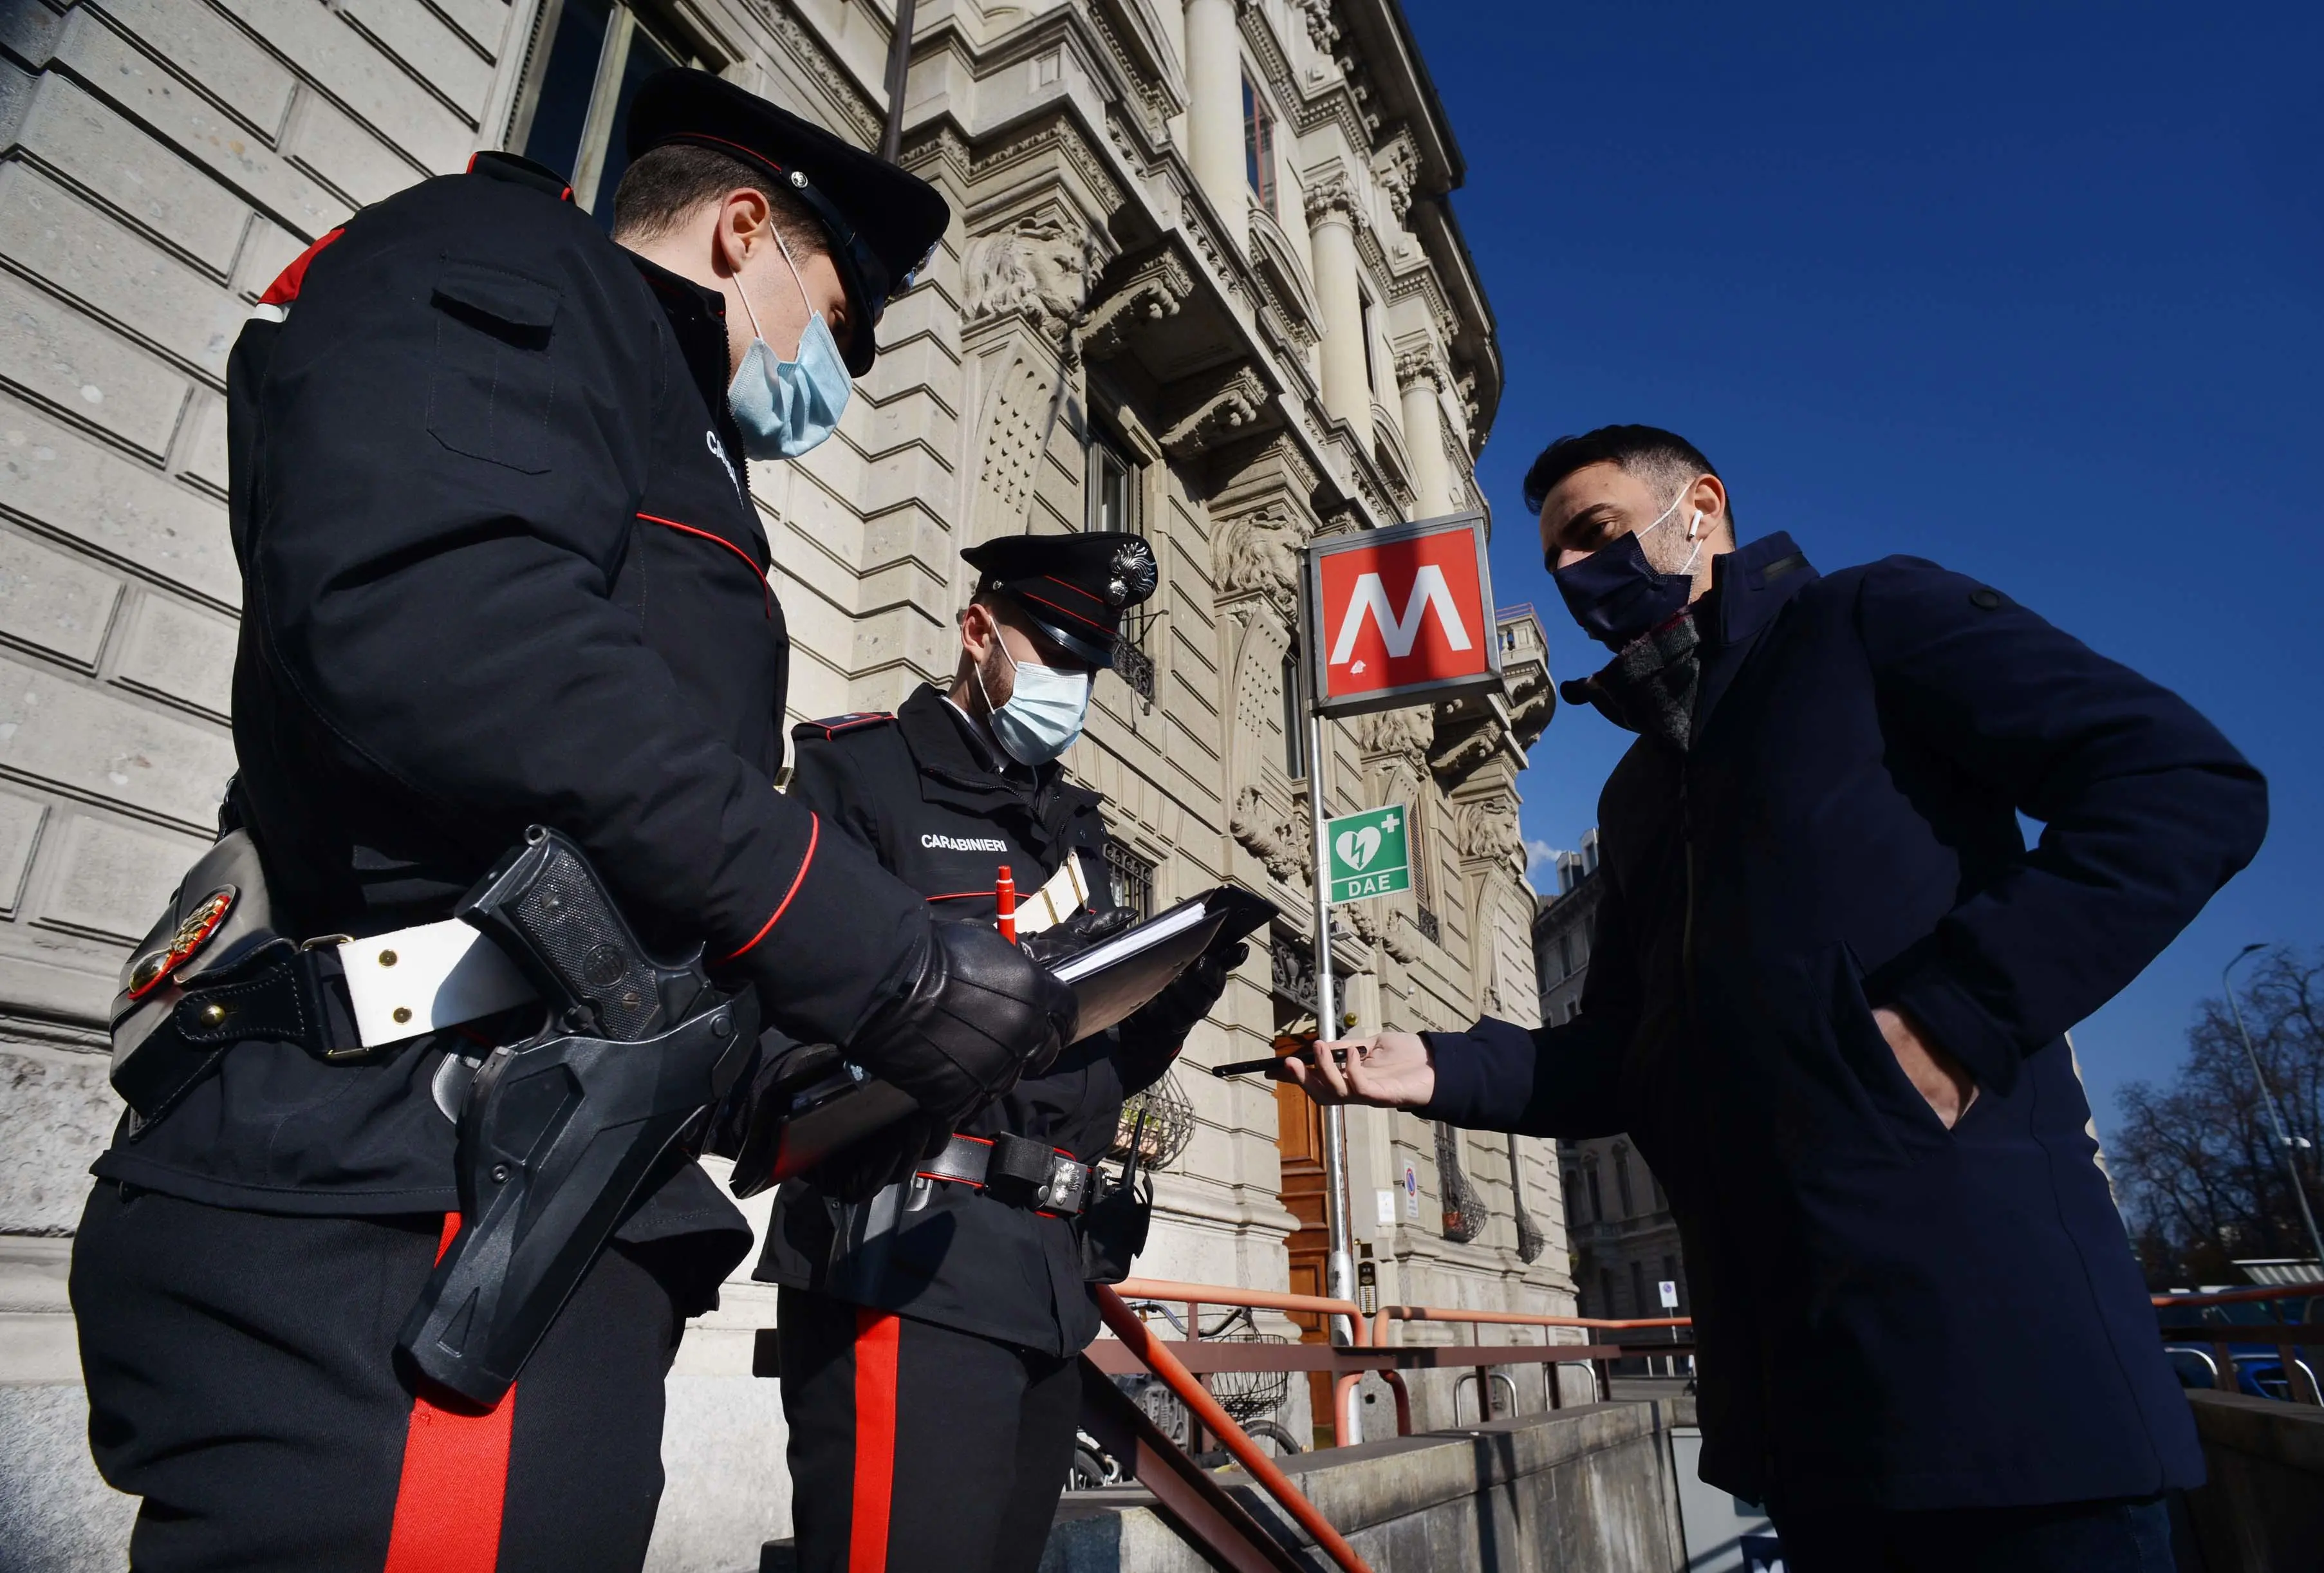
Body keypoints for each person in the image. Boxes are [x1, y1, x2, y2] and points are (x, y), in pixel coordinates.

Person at [70, 69, 1074, 1572]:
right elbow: (450, 634)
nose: (834, 382)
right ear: (746, 232)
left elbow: (606, 849)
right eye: (839, 328)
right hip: (418, 1194)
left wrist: (787, 1060)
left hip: (529, 1189)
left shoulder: (656, 409)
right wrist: (876, 954)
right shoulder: (505, 262)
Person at [1286, 424, 2268, 1572]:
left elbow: (2181, 785)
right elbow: (1618, 1052)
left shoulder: (1868, 621)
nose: (1573, 581)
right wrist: (1442, 1069)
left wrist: (1955, 1019)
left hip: (2007, 1394)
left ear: (1697, 508)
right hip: (1800, 1421)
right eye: (1553, 563)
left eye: (1595, 536)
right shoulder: (1640, 790)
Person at [753, 533, 1241, 1573]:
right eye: (1056, 658)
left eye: (1090, 672)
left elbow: (1081, 1069)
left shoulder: (1071, 824)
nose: (1072, 690)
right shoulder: (862, 772)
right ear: (979, 632)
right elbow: (784, 1019)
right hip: (907, 1251)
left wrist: (1175, 994)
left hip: (1047, 1278)